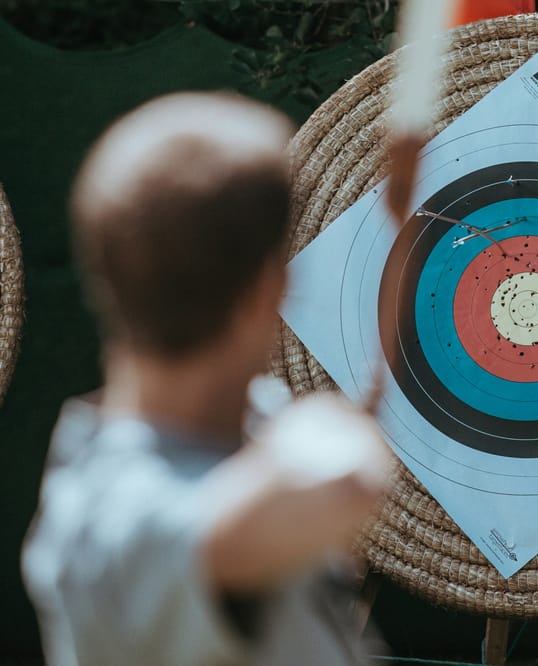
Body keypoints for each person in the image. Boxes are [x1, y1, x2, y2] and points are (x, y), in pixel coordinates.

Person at [21, 92, 391, 665]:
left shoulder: (252, 424)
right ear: (269, 291)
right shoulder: (120, 522)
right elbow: (341, 482)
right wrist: (338, 431)